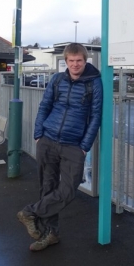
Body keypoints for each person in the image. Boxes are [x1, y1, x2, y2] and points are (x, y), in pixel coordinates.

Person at [17, 43, 103, 251]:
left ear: (85, 60)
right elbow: (44, 106)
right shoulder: (57, 80)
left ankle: (30, 212)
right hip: (48, 140)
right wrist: (38, 134)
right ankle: (50, 234)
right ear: (66, 61)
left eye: (79, 61)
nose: (75, 65)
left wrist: (85, 146)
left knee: (68, 190)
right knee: (47, 188)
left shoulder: (94, 83)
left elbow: (95, 116)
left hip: (74, 145)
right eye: (71, 61)